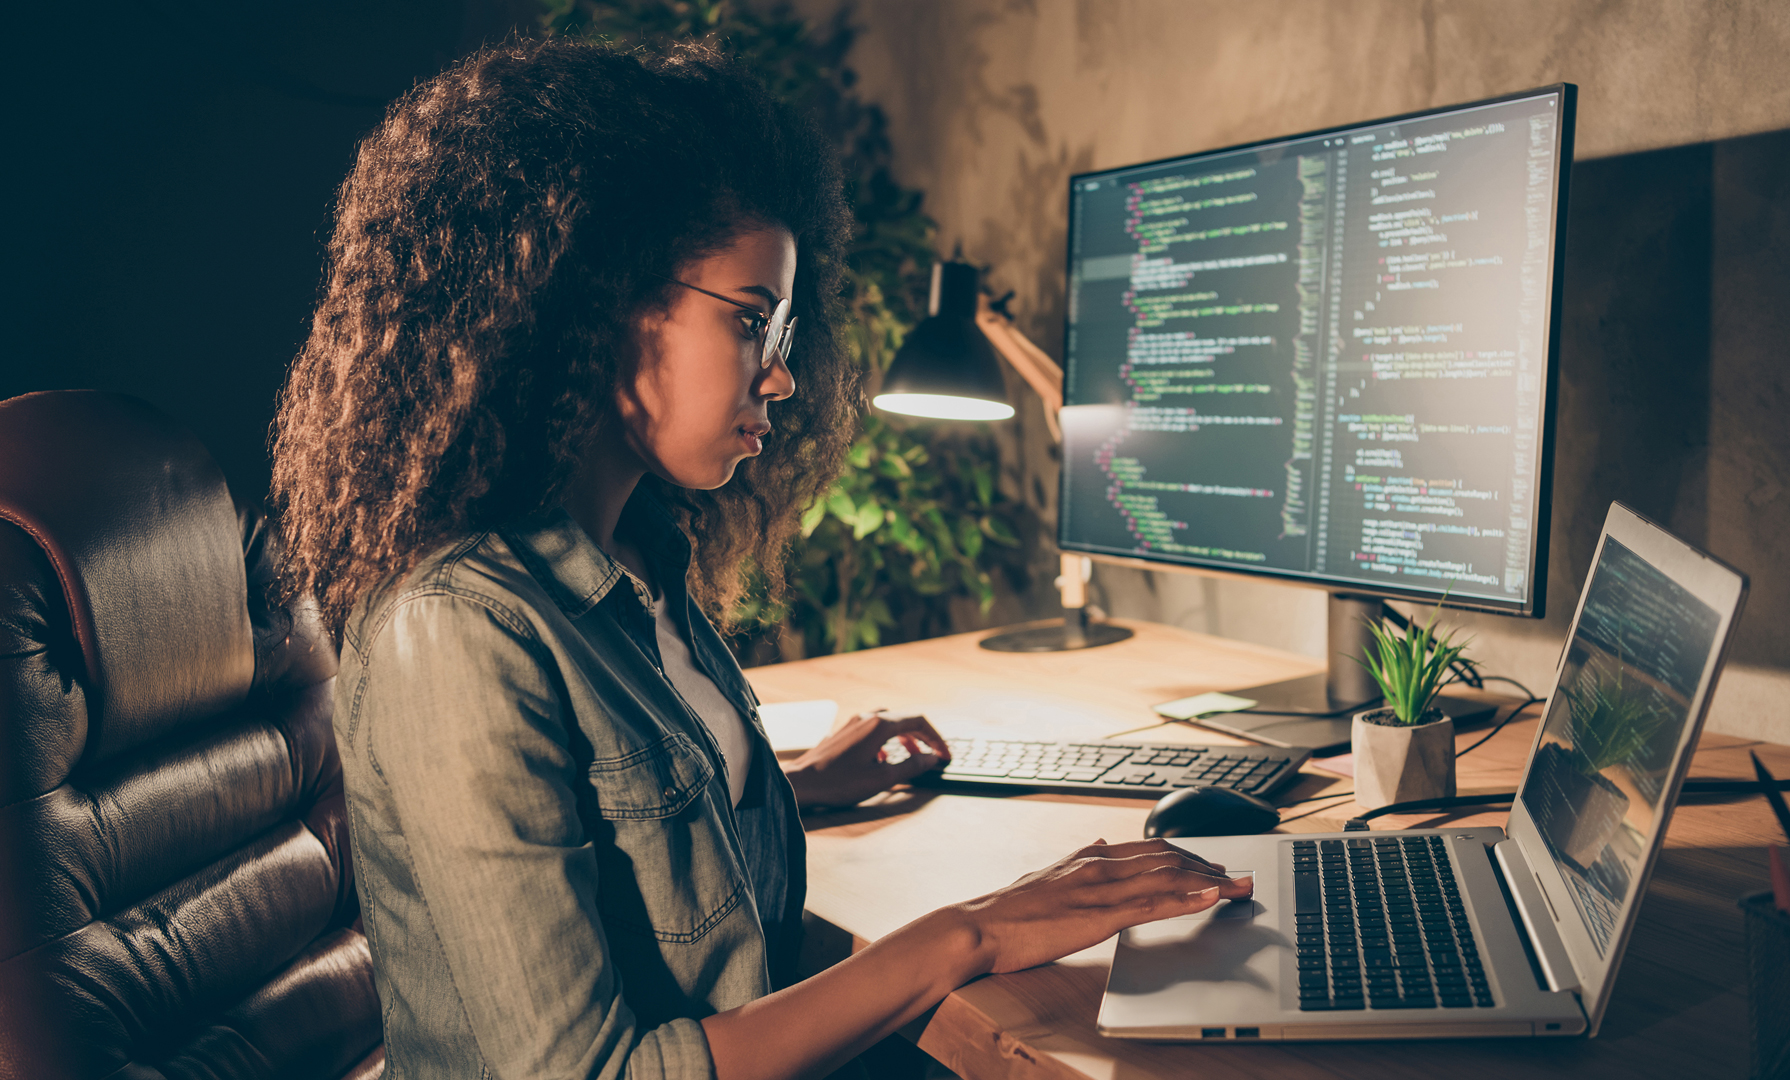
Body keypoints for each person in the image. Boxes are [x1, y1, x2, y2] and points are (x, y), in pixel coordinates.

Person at [271, 37, 1250, 1080]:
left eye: (785, 329)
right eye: (752, 321)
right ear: (596, 300)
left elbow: (619, 830)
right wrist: (970, 930)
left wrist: (788, 788)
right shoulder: (458, 631)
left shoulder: (638, 560)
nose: (782, 378)